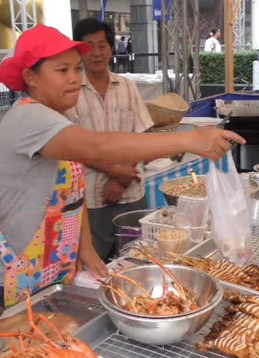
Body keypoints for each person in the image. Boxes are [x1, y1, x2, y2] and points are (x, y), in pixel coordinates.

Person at [0, 25, 244, 311]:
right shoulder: (28, 117)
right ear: (31, 77)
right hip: (10, 278)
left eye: (77, 69)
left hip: (50, 270)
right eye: (62, 70)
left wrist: (87, 249)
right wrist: (190, 139)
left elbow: (72, 197)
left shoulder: (57, 118)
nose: (74, 79)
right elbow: (98, 148)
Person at [65, 18, 153, 262]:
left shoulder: (127, 87)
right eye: (88, 46)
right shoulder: (70, 93)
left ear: (111, 49)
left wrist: (122, 179)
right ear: (78, 50)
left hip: (132, 193)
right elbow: (73, 148)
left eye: (102, 45)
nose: (96, 53)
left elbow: (141, 137)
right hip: (91, 199)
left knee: (138, 259)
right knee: (93, 265)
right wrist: (117, 174)